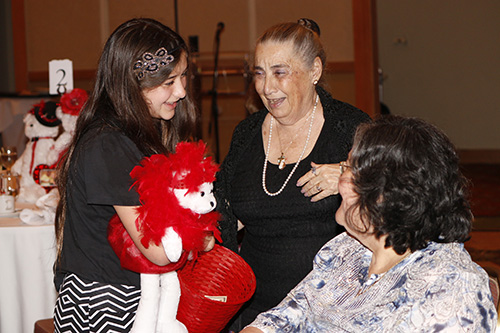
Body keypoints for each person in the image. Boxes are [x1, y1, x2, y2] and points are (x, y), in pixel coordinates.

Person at [241, 115, 498, 332]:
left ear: (386, 195)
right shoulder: (347, 249)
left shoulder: (451, 288)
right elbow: (290, 313)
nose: (340, 180)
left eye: (349, 168)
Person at [53, 18, 214, 332]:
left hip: (130, 294)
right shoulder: (109, 144)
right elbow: (156, 249)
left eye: (183, 77)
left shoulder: (134, 131)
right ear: (131, 84)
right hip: (105, 301)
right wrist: (204, 239)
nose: (181, 91)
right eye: (168, 82)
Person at [215, 19, 370, 329]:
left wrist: (350, 175)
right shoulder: (246, 134)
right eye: (259, 74)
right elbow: (221, 212)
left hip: (330, 310)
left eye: (280, 72)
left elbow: (397, 196)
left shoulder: (349, 128)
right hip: (253, 312)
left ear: (314, 71)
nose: (267, 87)